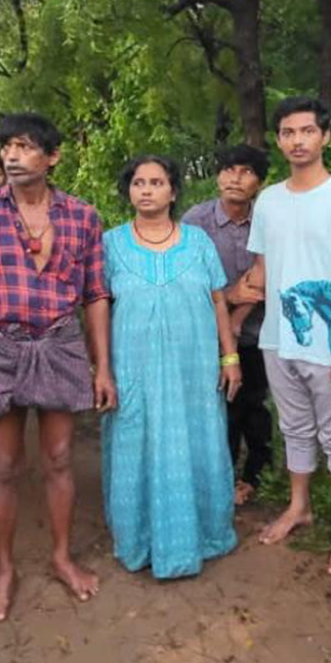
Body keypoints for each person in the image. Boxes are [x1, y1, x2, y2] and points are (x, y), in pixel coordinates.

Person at [0, 112, 116, 619]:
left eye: (24, 147)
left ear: (53, 156)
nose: (12, 156)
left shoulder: (83, 216)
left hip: (60, 343)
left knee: (60, 459)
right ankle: (4, 570)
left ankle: (62, 557)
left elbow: (96, 296)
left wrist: (101, 366)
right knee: (2, 466)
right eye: (6, 148)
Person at [248, 96, 331, 576]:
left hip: (329, 344)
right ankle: (299, 505)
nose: (297, 140)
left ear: (327, 136)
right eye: (287, 132)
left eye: (307, 131)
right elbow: (261, 273)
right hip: (278, 338)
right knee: (295, 428)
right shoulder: (268, 201)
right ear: (278, 140)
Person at [102, 155, 241, 578]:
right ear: (129, 191)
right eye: (139, 182)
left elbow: (219, 299)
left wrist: (230, 356)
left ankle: (203, 536)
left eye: (157, 182)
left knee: (196, 439)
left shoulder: (198, 242)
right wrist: (101, 367)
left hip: (193, 368)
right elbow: (97, 308)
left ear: (173, 191)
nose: (147, 189)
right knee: (134, 440)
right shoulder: (110, 244)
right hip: (133, 367)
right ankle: (139, 540)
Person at [182, 144, 273, 505]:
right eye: (229, 169)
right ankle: (217, 475)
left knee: (251, 403)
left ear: (259, 182)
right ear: (218, 176)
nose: (236, 178)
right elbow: (187, 279)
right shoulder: (196, 221)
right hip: (204, 331)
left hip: (255, 331)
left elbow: (262, 280)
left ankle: (254, 475)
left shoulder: (267, 222)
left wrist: (237, 316)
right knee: (213, 404)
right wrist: (229, 300)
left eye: (247, 172)